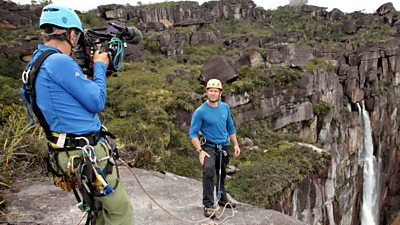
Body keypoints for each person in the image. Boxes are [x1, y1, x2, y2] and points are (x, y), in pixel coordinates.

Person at [21, 4, 133, 225]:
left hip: (65, 150)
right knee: (120, 211)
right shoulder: (59, 61)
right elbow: (96, 101)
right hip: (84, 152)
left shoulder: (38, 60)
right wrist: (100, 65)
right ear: (71, 34)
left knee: (98, 209)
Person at [188, 78, 241, 218]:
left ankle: (222, 197)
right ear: (206, 92)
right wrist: (200, 151)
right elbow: (192, 133)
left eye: (215, 91)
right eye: (210, 91)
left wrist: (235, 144)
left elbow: (230, 126)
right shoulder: (200, 111)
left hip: (223, 145)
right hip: (208, 146)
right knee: (209, 171)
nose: (212, 93)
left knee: (222, 171)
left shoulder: (225, 107)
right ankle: (208, 204)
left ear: (220, 93)